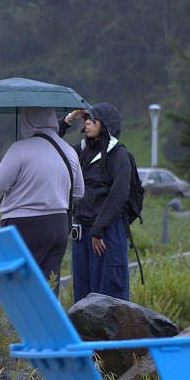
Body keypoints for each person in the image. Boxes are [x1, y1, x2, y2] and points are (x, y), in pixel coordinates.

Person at [0, 107, 84, 295]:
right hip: (59, 225)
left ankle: (17, 324)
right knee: (48, 287)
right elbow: (79, 192)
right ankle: (46, 324)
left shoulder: (20, 149)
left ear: (28, 120)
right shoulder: (68, 151)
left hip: (23, 225)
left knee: (17, 286)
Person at [60, 103, 132, 303]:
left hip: (106, 233)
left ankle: (113, 336)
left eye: (94, 119)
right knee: (83, 297)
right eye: (86, 119)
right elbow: (51, 145)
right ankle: (85, 336)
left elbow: (118, 195)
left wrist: (99, 230)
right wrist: (69, 119)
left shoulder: (119, 155)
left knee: (109, 297)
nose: (88, 122)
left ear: (106, 124)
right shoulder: (80, 152)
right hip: (82, 233)